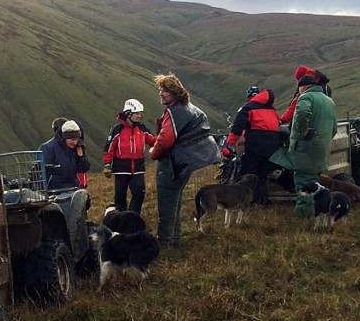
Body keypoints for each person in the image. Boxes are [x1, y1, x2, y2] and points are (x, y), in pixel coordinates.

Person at [149, 72, 221, 247]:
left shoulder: (175, 112)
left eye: (164, 90)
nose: (161, 93)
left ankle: (165, 244)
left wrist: (153, 152)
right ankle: (175, 241)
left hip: (171, 165)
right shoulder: (189, 108)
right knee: (175, 203)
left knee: (167, 206)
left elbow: (165, 140)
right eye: (160, 89)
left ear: (174, 92)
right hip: (184, 165)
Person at [270, 72, 338, 217]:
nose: (298, 91)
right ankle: (316, 212)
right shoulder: (329, 101)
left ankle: (303, 216)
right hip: (322, 149)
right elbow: (334, 128)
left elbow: (301, 112)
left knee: (303, 185)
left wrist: (304, 131)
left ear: (304, 87)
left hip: (305, 151)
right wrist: (323, 140)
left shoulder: (306, 97)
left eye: (299, 88)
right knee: (315, 183)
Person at [225, 86, 280, 205]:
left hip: (255, 146)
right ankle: (261, 202)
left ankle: (239, 201)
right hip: (272, 149)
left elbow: (237, 128)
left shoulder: (248, 108)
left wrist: (229, 145)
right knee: (262, 176)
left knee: (246, 174)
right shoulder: (272, 109)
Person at [102, 98, 156, 213]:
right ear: (128, 114)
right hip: (121, 168)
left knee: (139, 194)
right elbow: (109, 148)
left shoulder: (142, 129)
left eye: (139, 113)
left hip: (138, 167)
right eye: (137, 113)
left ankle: (131, 218)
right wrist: (107, 165)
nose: (139, 116)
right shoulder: (117, 129)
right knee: (120, 197)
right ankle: (119, 221)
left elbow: (154, 141)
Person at [41, 119, 90, 190]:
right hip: (53, 191)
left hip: (73, 188)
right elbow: (43, 173)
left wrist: (81, 156)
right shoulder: (48, 148)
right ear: (65, 137)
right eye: (72, 139)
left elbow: (83, 169)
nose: (75, 142)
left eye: (77, 139)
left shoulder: (78, 148)